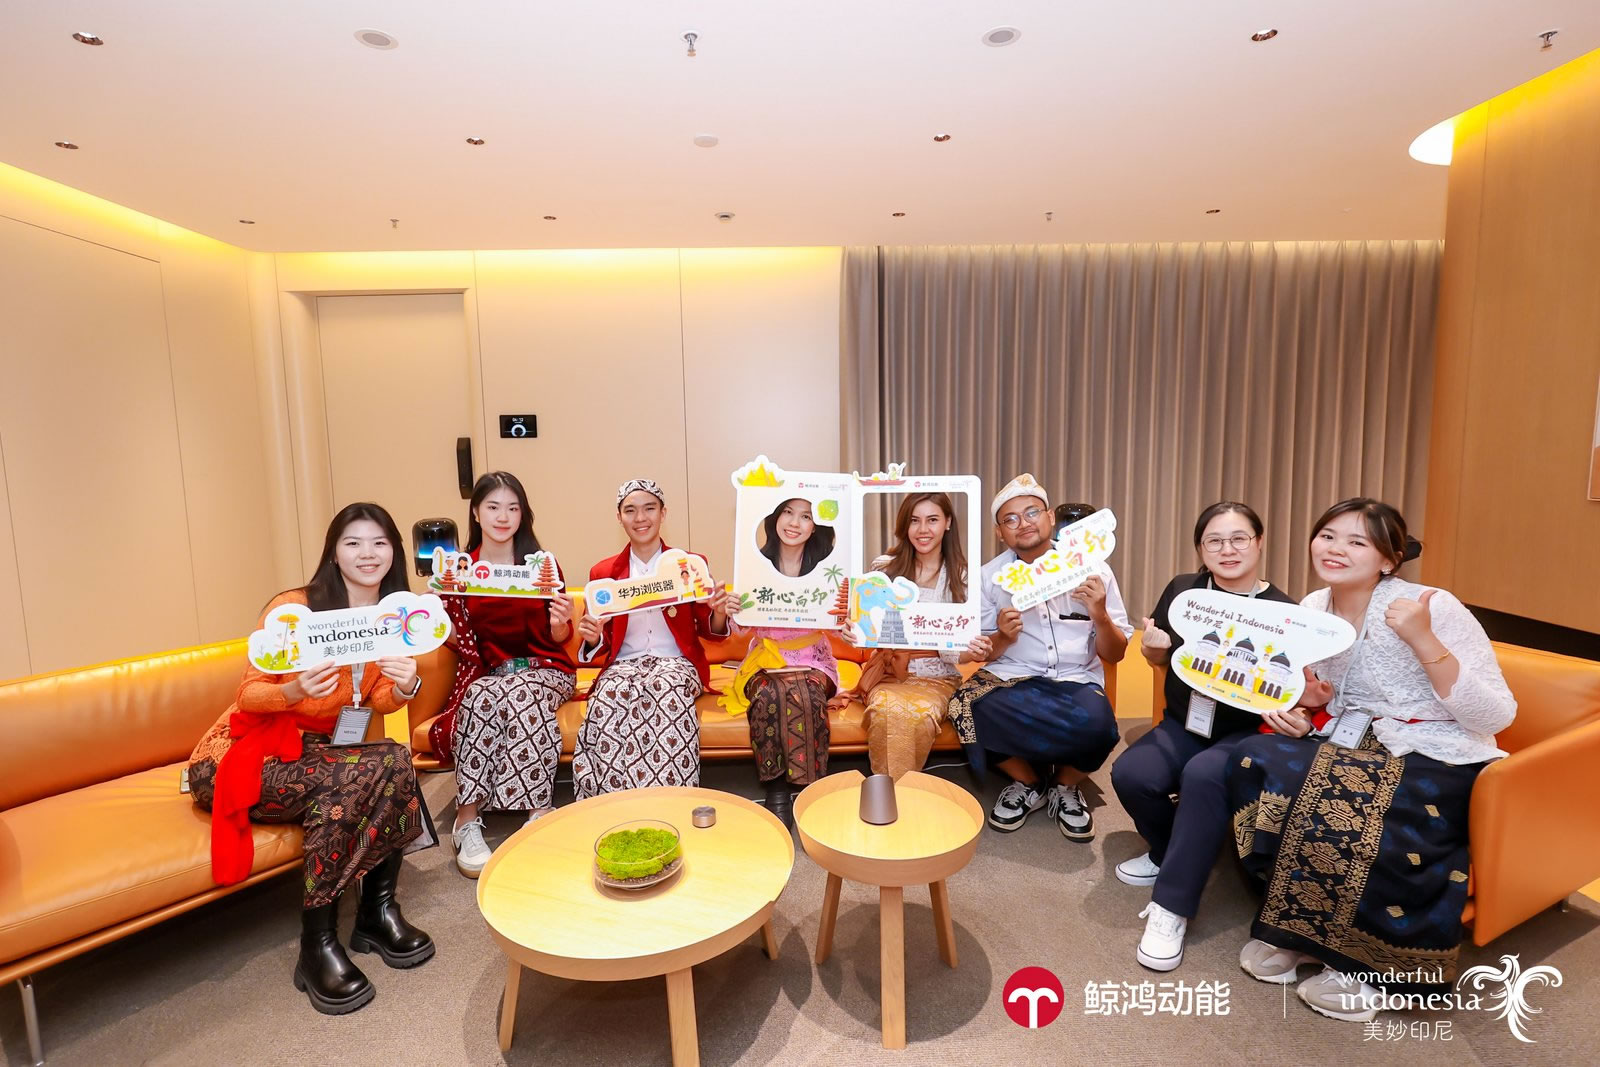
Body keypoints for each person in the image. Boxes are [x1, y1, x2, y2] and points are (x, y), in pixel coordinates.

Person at [1226, 498, 1515, 1022]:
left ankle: (1376, 966)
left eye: (1357, 541)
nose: (1336, 549)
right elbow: (1331, 696)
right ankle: (1304, 931)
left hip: (1438, 749)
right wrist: (1305, 709)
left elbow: (1495, 713)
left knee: (1346, 793)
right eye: (1328, 536)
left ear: (1389, 559)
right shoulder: (1314, 607)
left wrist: (1423, 638)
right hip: (1351, 740)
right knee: (1255, 759)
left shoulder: (1431, 604)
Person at [186, 503, 434, 1015]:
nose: (367, 554)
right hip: (242, 753)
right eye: (353, 542)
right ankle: (316, 942)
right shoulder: (295, 610)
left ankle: (376, 912)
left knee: (393, 758)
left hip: (318, 750)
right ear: (333, 552)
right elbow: (248, 694)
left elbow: (379, 698)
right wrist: (294, 689)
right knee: (355, 778)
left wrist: (408, 684)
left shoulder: (390, 615)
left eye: (379, 543)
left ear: (394, 551)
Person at [1108, 502, 1295, 971]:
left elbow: (1294, 688)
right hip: (1184, 722)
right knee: (1132, 774)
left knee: (1202, 776)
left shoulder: (1285, 612)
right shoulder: (1184, 592)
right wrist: (1153, 652)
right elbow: (1159, 657)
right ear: (1200, 548)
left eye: (1238, 539)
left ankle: (1171, 906)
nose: (1227, 549)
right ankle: (1169, 851)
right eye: (1214, 541)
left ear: (1259, 542)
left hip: (1248, 734)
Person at [948, 474, 1130, 841]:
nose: (1023, 523)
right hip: (1014, 677)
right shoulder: (989, 578)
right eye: (1010, 519)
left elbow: (1117, 652)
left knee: (1100, 727)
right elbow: (982, 653)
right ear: (1000, 533)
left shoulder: (1094, 568)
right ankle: (1028, 782)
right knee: (964, 707)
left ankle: (1065, 785)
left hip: (1076, 678)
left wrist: (1099, 614)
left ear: (1050, 518)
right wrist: (1002, 635)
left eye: (1031, 512)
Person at [433, 472, 577, 878]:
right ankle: (466, 820)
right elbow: (460, 642)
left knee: (520, 691)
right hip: (492, 674)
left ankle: (537, 812)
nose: (503, 516)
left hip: (545, 670)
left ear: (523, 514)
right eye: (493, 507)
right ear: (476, 513)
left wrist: (561, 621)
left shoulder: (541, 565)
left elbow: (560, 638)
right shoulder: (461, 570)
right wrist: (435, 616)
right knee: (478, 696)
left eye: (513, 508)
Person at [573, 479, 734, 797]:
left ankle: (670, 800)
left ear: (663, 513)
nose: (640, 518)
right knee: (608, 699)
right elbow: (601, 640)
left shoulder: (689, 564)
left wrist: (718, 610)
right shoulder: (603, 573)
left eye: (649, 508)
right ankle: (613, 802)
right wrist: (592, 637)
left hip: (677, 662)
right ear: (619, 518)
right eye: (630, 511)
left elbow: (710, 630)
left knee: (666, 689)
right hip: (623, 664)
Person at [722, 497, 850, 825]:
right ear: (775, 517)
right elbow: (739, 628)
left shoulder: (829, 570)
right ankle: (777, 789)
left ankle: (810, 790)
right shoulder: (755, 566)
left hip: (813, 662)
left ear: (815, 526)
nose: (794, 523)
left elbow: (843, 626)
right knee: (769, 692)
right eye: (788, 513)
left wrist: (849, 616)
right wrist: (731, 609)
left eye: (805, 516)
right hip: (765, 662)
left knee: (806, 691)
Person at [848, 492, 990, 778]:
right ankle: (891, 791)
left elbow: (958, 651)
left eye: (932, 520)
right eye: (915, 520)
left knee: (920, 714)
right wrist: (853, 631)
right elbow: (865, 622)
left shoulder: (963, 577)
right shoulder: (883, 568)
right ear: (905, 525)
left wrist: (974, 650)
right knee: (886, 709)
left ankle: (897, 791)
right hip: (889, 674)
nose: (923, 529)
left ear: (948, 523)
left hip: (937, 677)